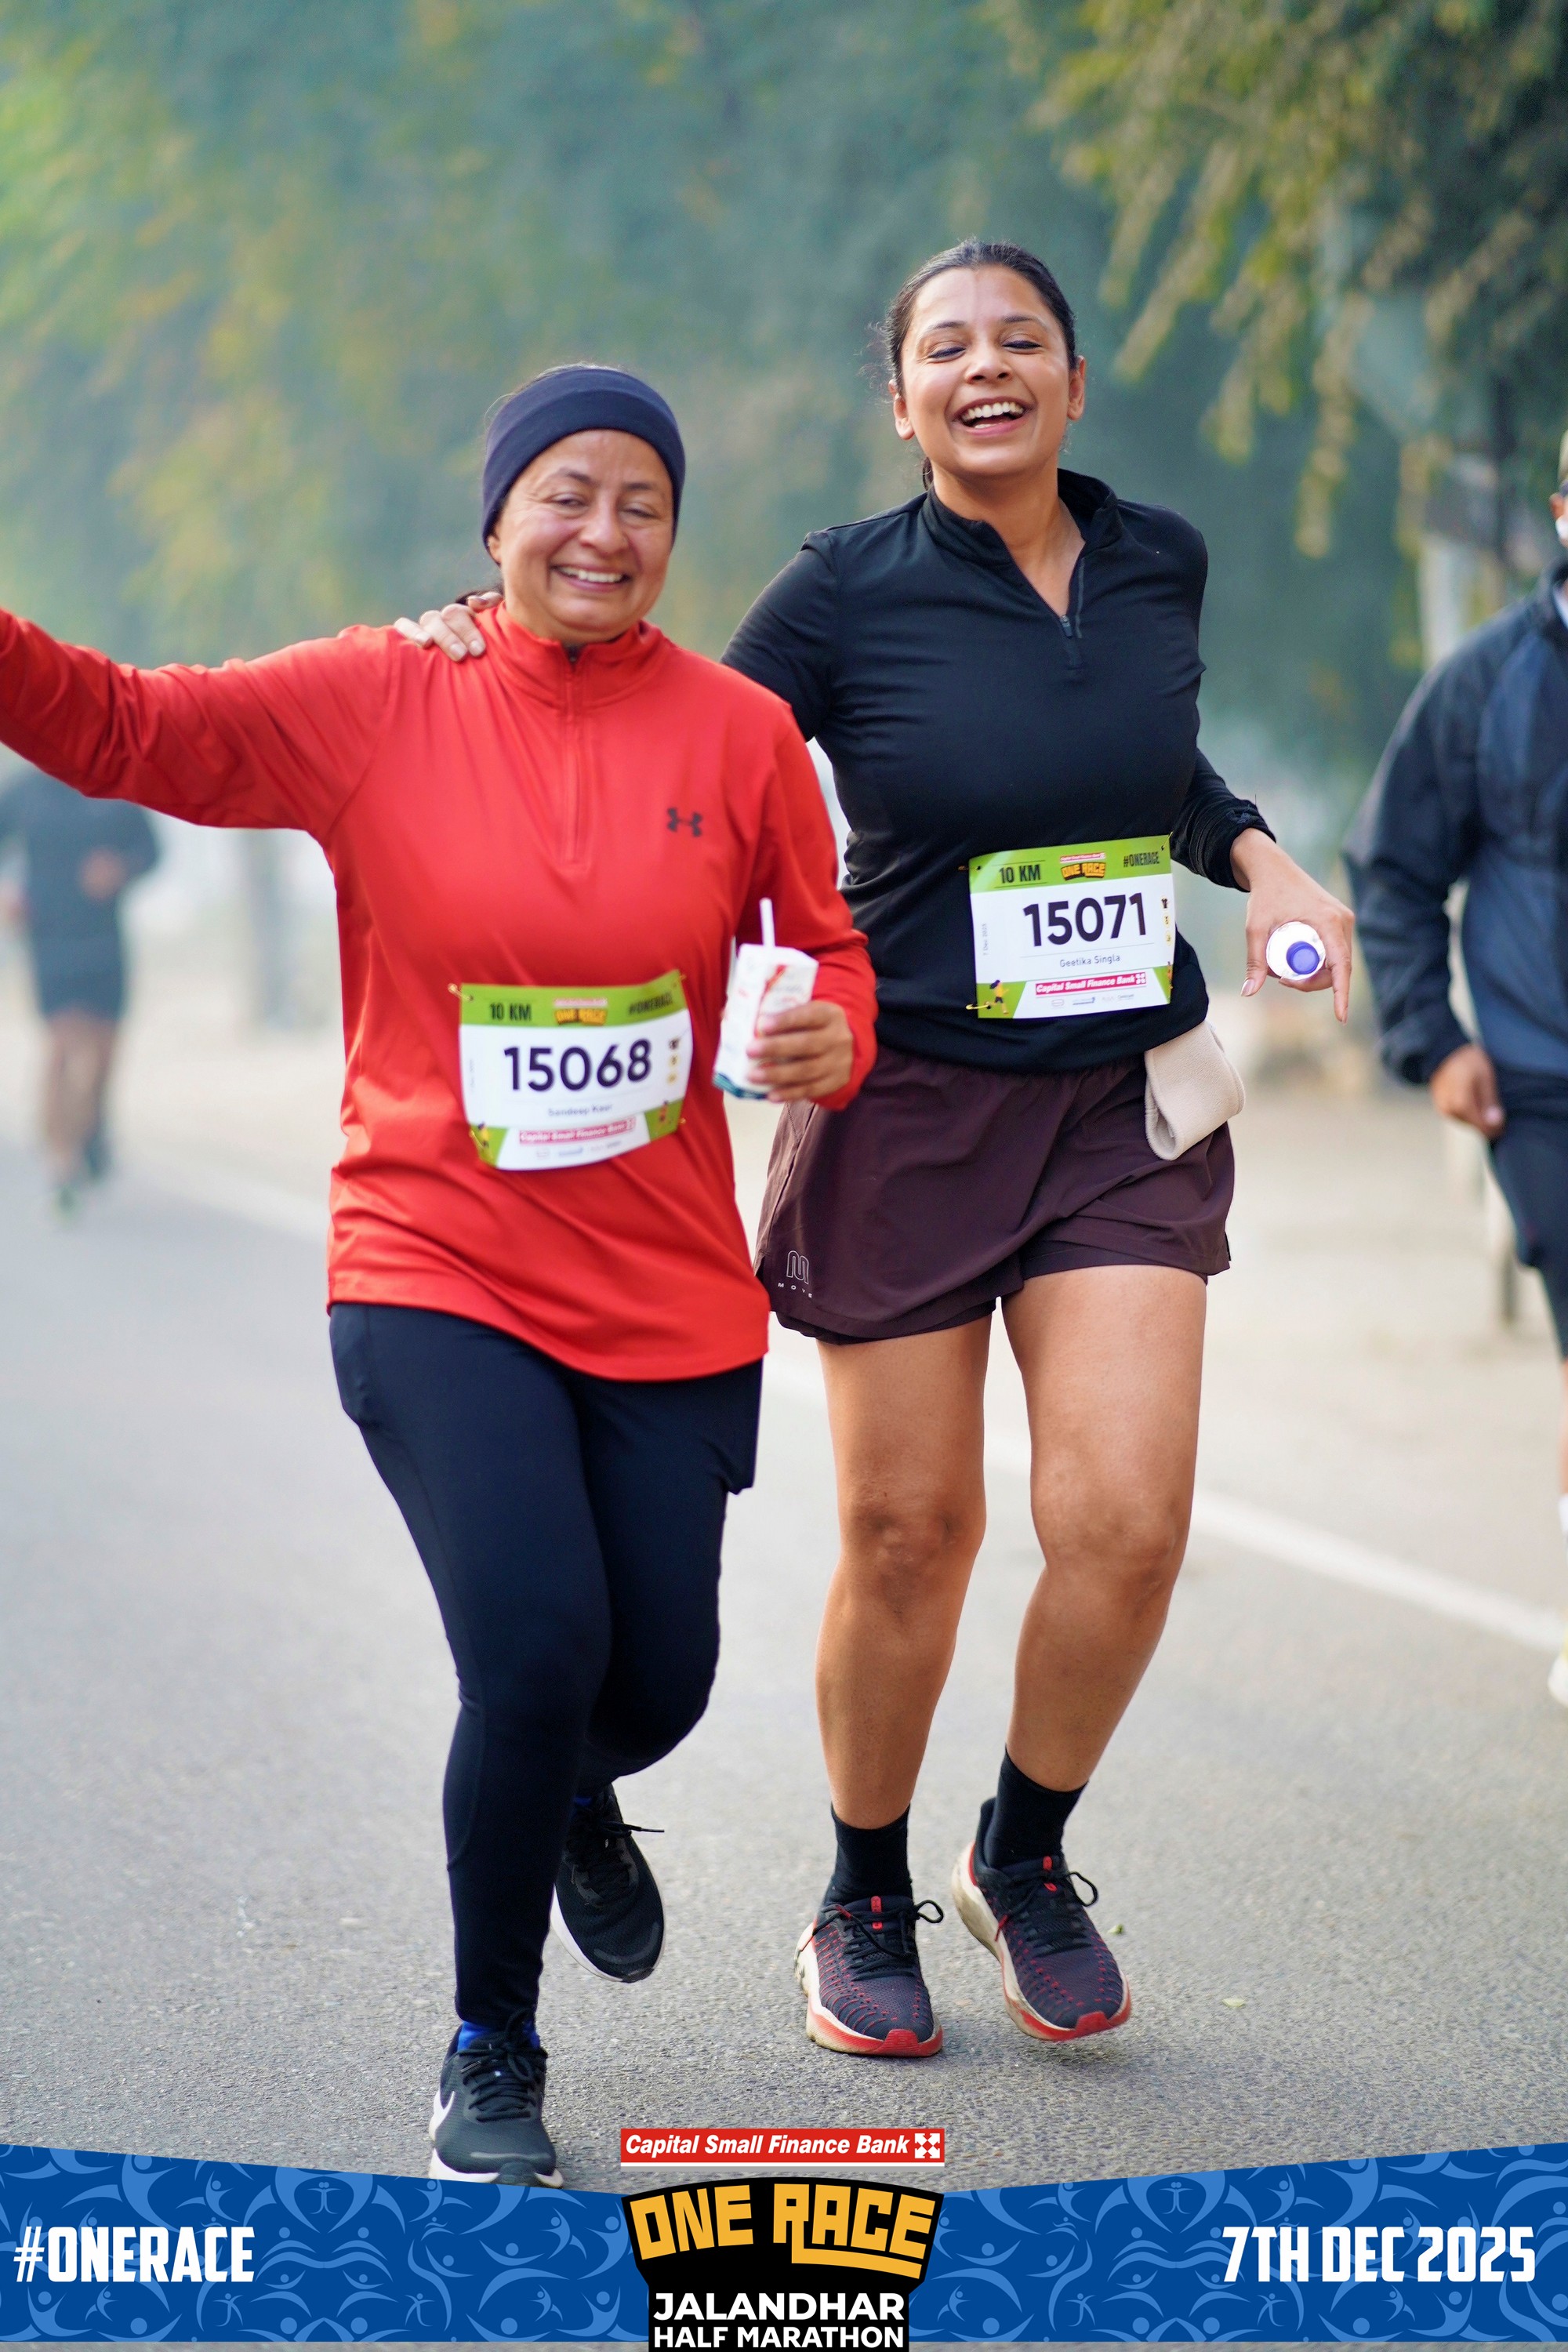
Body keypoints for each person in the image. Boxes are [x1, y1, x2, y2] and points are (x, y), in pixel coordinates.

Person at [407, 242, 1352, 2064]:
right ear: (902, 400)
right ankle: (861, 1889)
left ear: (1072, 382)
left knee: (1124, 1523)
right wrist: (494, 651)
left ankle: (1026, 1850)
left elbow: (1155, 770)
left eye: (1019, 340)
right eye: (946, 348)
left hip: (1117, 1106)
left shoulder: (1156, 557)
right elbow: (675, 736)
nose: (985, 367)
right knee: (910, 1533)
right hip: (903, 1099)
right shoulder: (842, 589)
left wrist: (1266, 867)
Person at [0, 364, 877, 2178]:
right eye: (566, 493)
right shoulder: (377, 694)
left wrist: (829, 1039)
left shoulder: (734, 734)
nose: (603, 532)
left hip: (666, 1288)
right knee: (537, 1641)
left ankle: (573, 1784)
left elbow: (828, 955)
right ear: (497, 519)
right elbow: (124, 726)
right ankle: (493, 2048)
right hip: (432, 1259)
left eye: (641, 502)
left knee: (656, 1681)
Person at [1345, 427, 1568, 1709]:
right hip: (1544, 1077)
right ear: (1561, 511)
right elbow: (1395, 868)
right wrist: (1434, 1040)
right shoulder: (1487, 683)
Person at [0, 760, 159, 1210]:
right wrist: (6, 894)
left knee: (103, 1057)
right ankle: (60, 1163)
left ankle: (92, 1130)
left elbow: (152, 852)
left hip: (105, 945)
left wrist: (121, 869)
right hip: (49, 943)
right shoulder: (26, 793)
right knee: (63, 1046)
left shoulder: (114, 786)